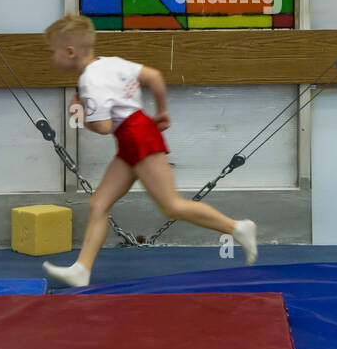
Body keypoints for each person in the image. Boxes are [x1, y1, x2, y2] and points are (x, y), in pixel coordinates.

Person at [41, 14, 258, 287]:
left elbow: (105, 126)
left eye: (53, 52)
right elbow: (153, 77)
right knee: (99, 203)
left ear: (70, 52)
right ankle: (82, 269)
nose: (52, 58)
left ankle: (237, 227)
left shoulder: (89, 81)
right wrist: (162, 112)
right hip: (134, 136)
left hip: (136, 137)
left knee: (172, 206)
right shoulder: (112, 63)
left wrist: (80, 113)